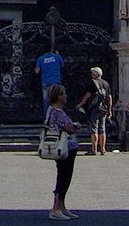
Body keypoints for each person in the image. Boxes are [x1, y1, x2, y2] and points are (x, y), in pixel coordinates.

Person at [44, 82, 82, 221]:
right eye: (63, 93)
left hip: (66, 147)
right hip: (64, 147)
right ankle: (55, 208)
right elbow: (68, 128)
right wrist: (76, 126)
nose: (66, 96)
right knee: (64, 177)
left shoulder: (51, 110)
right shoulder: (57, 112)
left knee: (65, 176)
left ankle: (62, 206)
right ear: (58, 97)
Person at [83, 65, 113, 156]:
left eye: (93, 73)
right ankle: (103, 149)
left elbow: (88, 95)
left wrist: (81, 103)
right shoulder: (106, 84)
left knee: (94, 129)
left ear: (96, 74)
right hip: (103, 109)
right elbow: (109, 98)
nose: (91, 74)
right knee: (102, 129)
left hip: (94, 108)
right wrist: (109, 109)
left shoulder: (93, 83)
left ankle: (94, 149)